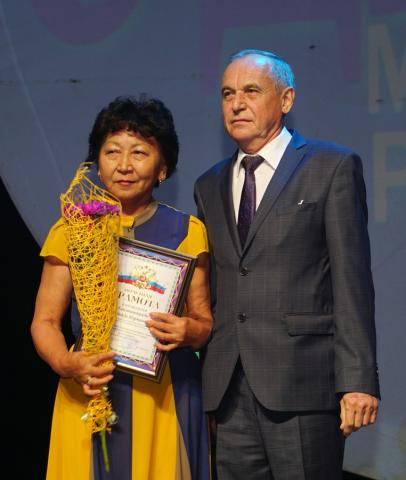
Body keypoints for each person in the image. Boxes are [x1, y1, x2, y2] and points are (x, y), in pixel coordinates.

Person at [194, 49, 380, 479]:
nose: (236, 103)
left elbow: (351, 281)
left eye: (251, 91)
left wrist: (358, 380)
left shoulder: (330, 167)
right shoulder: (209, 184)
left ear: (286, 99)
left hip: (303, 384)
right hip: (228, 391)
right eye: (227, 94)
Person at [31, 95, 213, 480]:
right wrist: (66, 363)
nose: (124, 165)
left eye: (140, 153)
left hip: (165, 396)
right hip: (90, 386)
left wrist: (187, 331)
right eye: (112, 151)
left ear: (163, 168)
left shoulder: (187, 232)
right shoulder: (72, 231)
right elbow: (44, 322)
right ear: (98, 162)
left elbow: (203, 323)